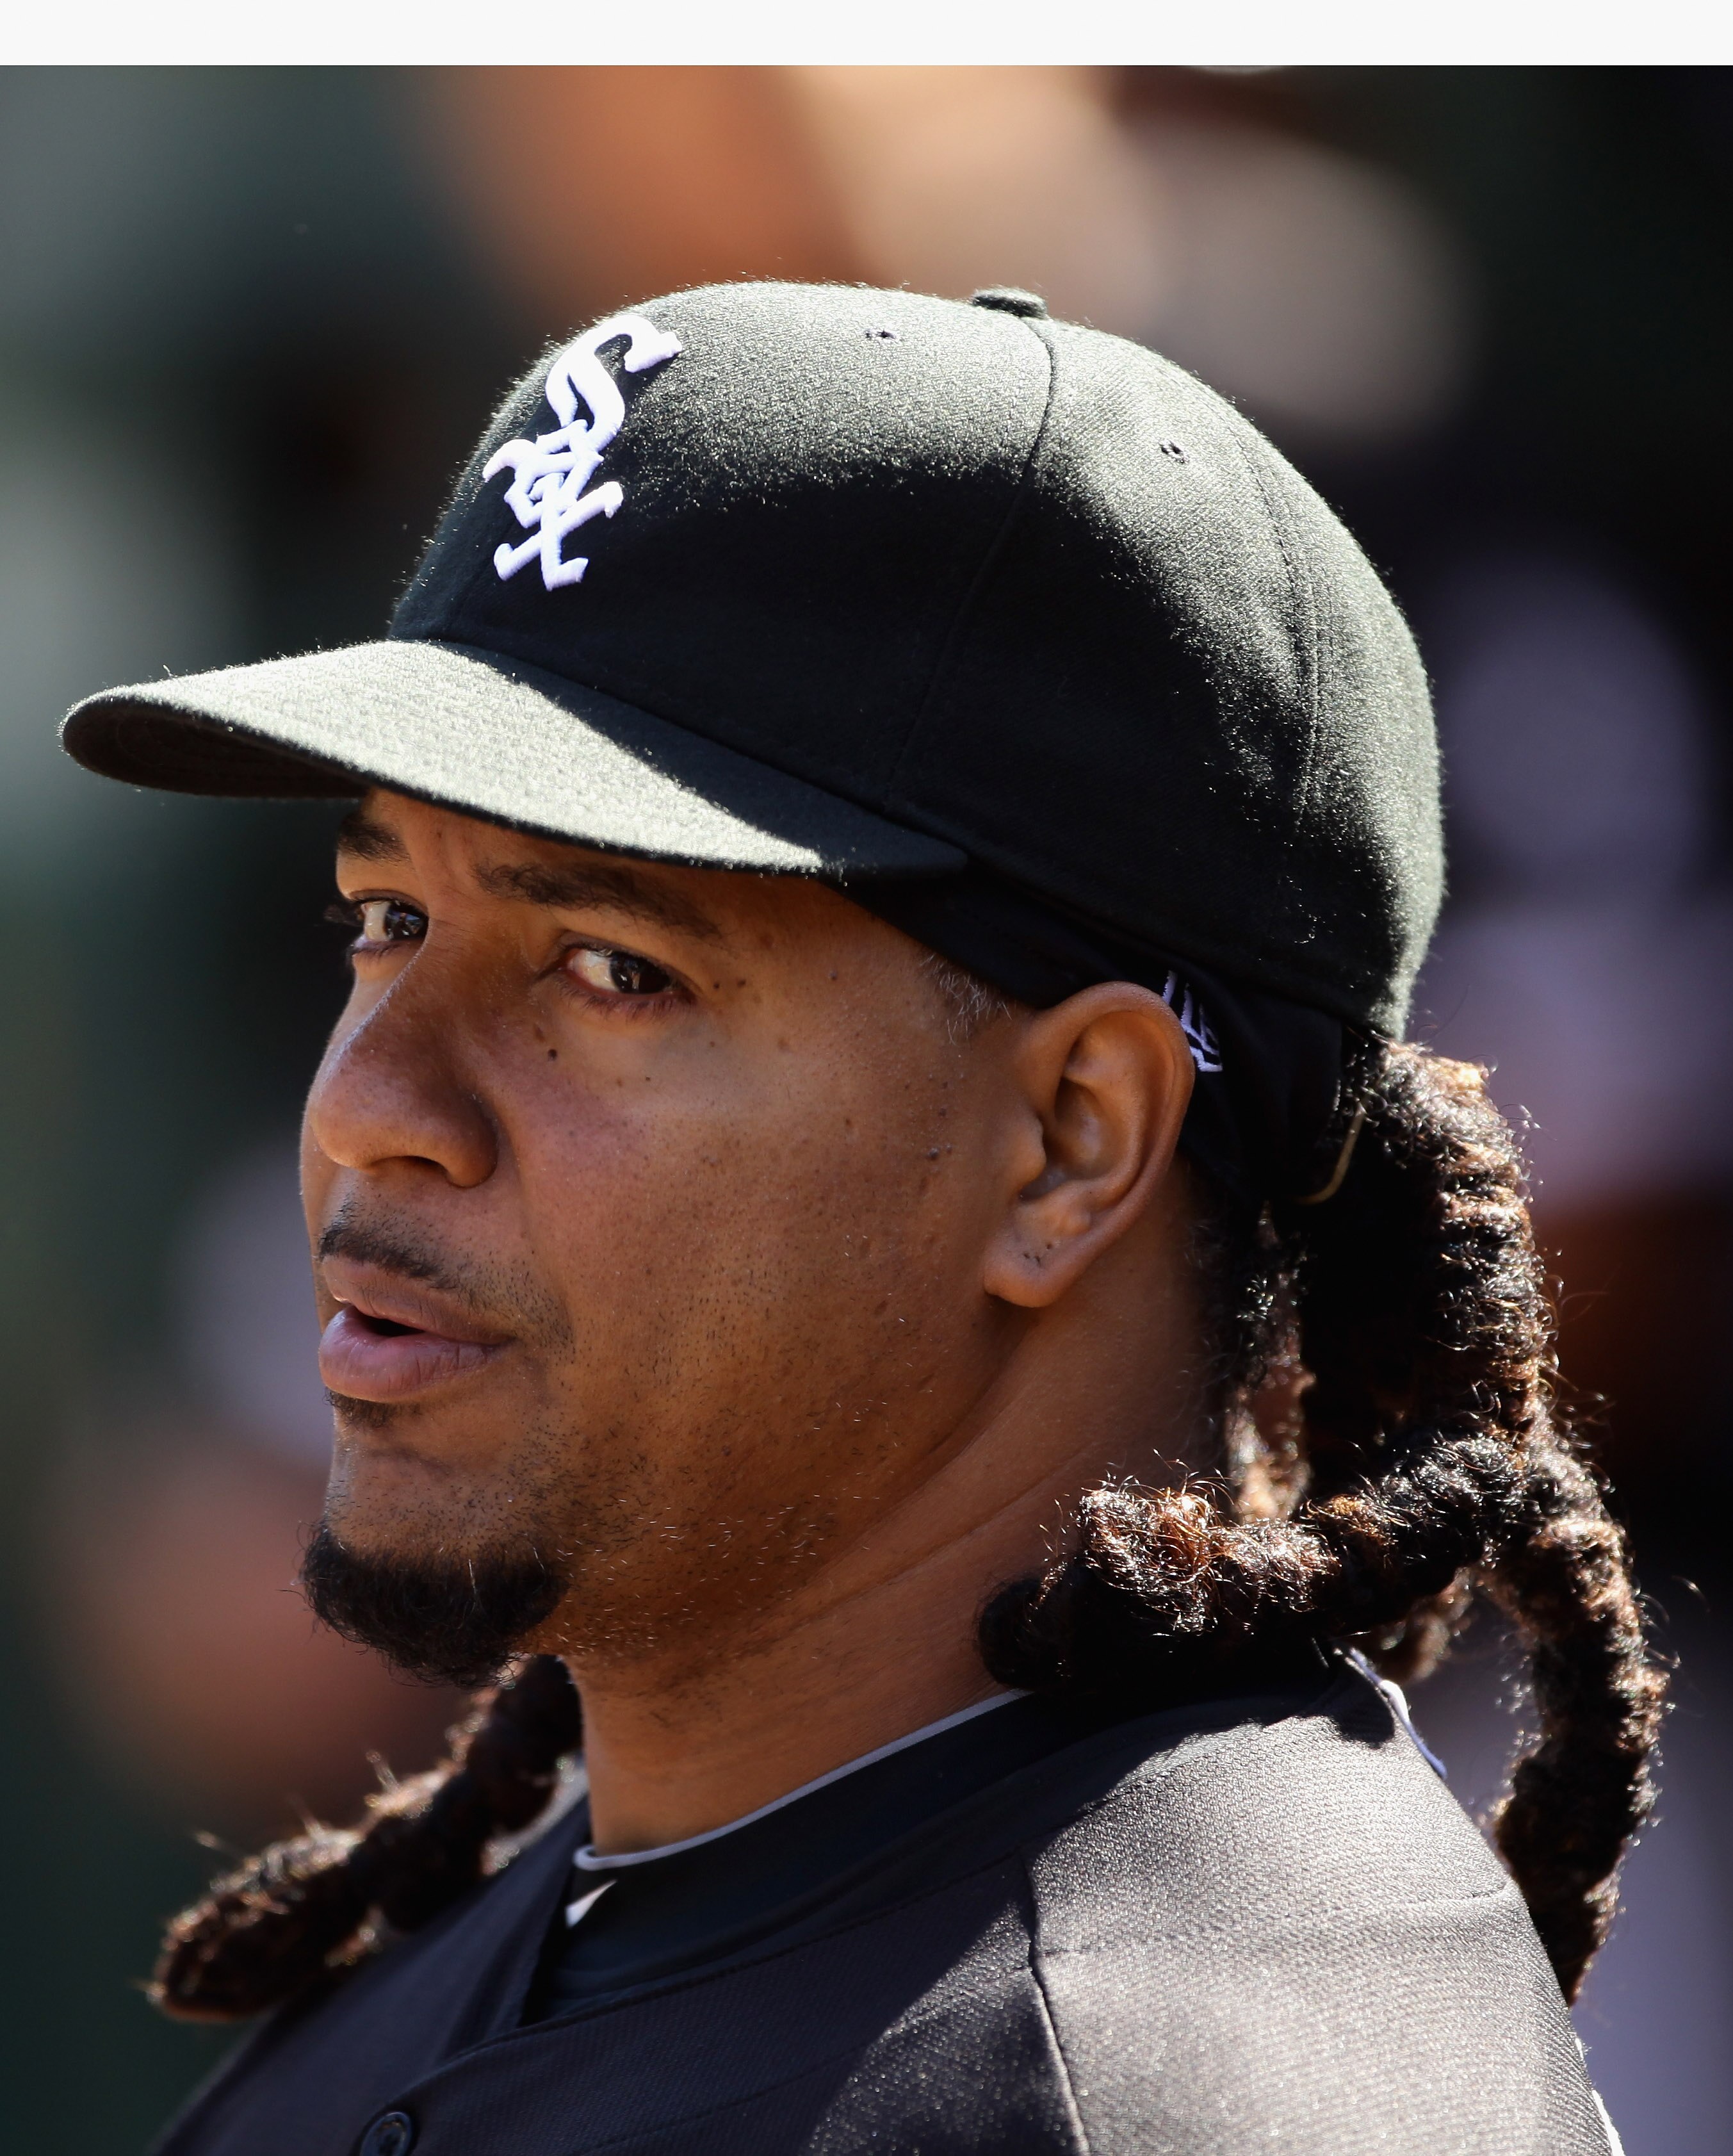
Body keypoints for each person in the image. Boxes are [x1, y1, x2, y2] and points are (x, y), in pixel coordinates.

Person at [62, 282, 1660, 2156]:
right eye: (388, 920)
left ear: (1068, 1145)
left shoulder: (1171, 2093)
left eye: (608, 967)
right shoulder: (502, 1960)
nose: (368, 1109)